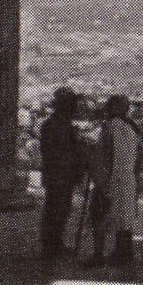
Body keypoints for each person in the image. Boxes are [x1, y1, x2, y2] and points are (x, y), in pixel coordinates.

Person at [92, 94, 142, 276]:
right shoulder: (133, 128)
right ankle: (123, 253)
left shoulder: (108, 128)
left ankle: (98, 255)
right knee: (124, 218)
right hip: (128, 178)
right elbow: (139, 157)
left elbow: (103, 155)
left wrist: (100, 180)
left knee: (99, 215)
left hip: (111, 179)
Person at [39, 88, 83, 271]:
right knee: (55, 210)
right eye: (71, 103)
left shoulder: (61, 124)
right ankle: (50, 246)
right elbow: (53, 152)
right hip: (58, 174)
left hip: (63, 174)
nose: (74, 107)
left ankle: (55, 243)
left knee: (62, 209)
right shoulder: (53, 126)